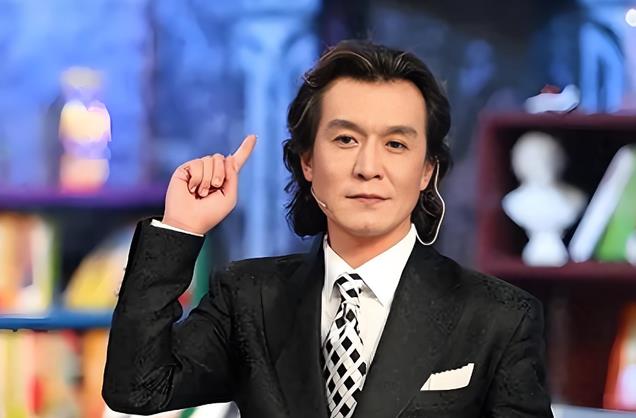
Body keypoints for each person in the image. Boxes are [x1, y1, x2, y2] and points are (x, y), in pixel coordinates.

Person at [102, 40, 553, 418]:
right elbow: (137, 388)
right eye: (345, 139)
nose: (368, 167)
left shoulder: (499, 317)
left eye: (396, 144)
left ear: (426, 171)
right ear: (308, 162)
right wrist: (181, 227)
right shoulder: (248, 299)